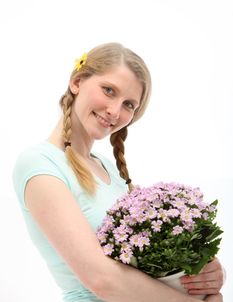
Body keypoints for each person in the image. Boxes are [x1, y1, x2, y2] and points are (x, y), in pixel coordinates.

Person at [13, 43, 225, 302]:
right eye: (108, 90)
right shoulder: (40, 164)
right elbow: (102, 279)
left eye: (129, 105)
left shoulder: (107, 168)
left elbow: (143, 259)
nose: (115, 111)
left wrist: (208, 271)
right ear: (77, 82)